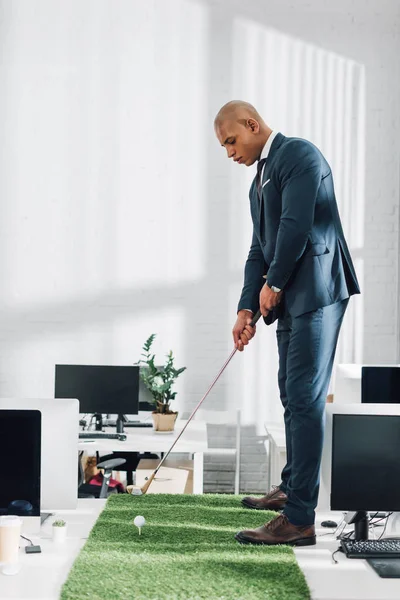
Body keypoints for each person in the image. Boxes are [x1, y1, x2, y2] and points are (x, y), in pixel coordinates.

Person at [214, 101, 360, 546]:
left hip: (316, 292)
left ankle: (299, 518)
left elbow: (297, 226)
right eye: (224, 147)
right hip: (288, 301)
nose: (229, 153)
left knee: (304, 397)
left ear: (252, 125)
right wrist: (245, 309)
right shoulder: (259, 182)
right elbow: (260, 248)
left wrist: (273, 284)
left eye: (232, 141)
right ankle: (291, 489)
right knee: (290, 393)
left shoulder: (299, 155)